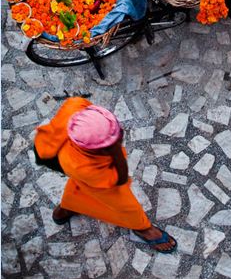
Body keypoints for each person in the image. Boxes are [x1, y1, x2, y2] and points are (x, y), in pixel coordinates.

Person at [34, 97, 177, 253]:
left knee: (80, 186)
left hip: (78, 173)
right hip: (91, 178)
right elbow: (120, 179)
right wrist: (115, 153)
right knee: (126, 205)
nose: (120, 137)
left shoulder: (74, 106)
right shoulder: (87, 168)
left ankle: (67, 207)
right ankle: (142, 228)